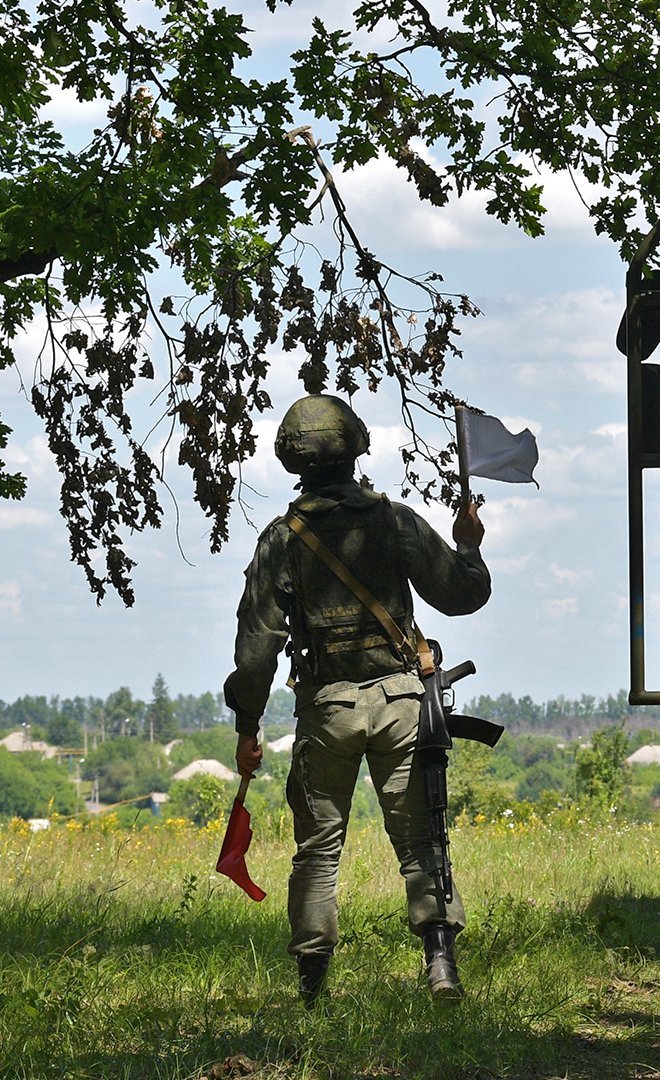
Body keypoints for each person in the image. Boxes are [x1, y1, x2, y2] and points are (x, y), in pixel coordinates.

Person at [224, 394, 490, 1004]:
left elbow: (257, 647)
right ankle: (441, 968)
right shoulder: (394, 523)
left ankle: (312, 989)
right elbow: (461, 594)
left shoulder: (281, 541)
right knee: (423, 842)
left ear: (294, 460)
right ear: (356, 451)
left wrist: (247, 724)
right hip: (402, 704)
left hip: (329, 709)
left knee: (317, 850)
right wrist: (469, 544)